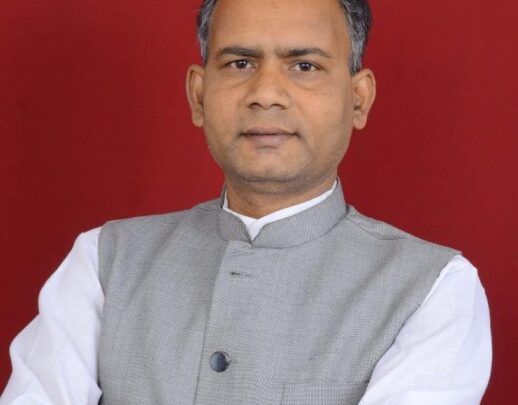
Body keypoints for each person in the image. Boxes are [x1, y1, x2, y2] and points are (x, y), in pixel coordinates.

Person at [1, 0, 492, 404]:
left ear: (358, 99)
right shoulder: (104, 261)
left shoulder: (434, 290)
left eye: (304, 65)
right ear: (198, 95)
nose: (266, 94)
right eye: (240, 63)